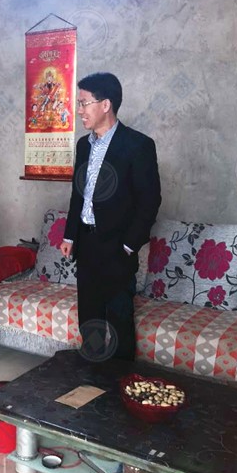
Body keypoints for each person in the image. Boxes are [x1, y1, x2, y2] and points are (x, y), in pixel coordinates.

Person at [61, 72, 161, 361]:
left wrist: (129, 245)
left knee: (118, 318)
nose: (80, 110)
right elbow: (78, 194)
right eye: (79, 104)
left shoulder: (138, 145)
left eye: (84, 103)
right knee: (89, 314)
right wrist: (70, 235)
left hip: (118, 246)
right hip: (87, 242)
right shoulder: (84, 145)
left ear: (105, 105)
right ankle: (91, 374)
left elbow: (150, 201)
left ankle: (118, 380)